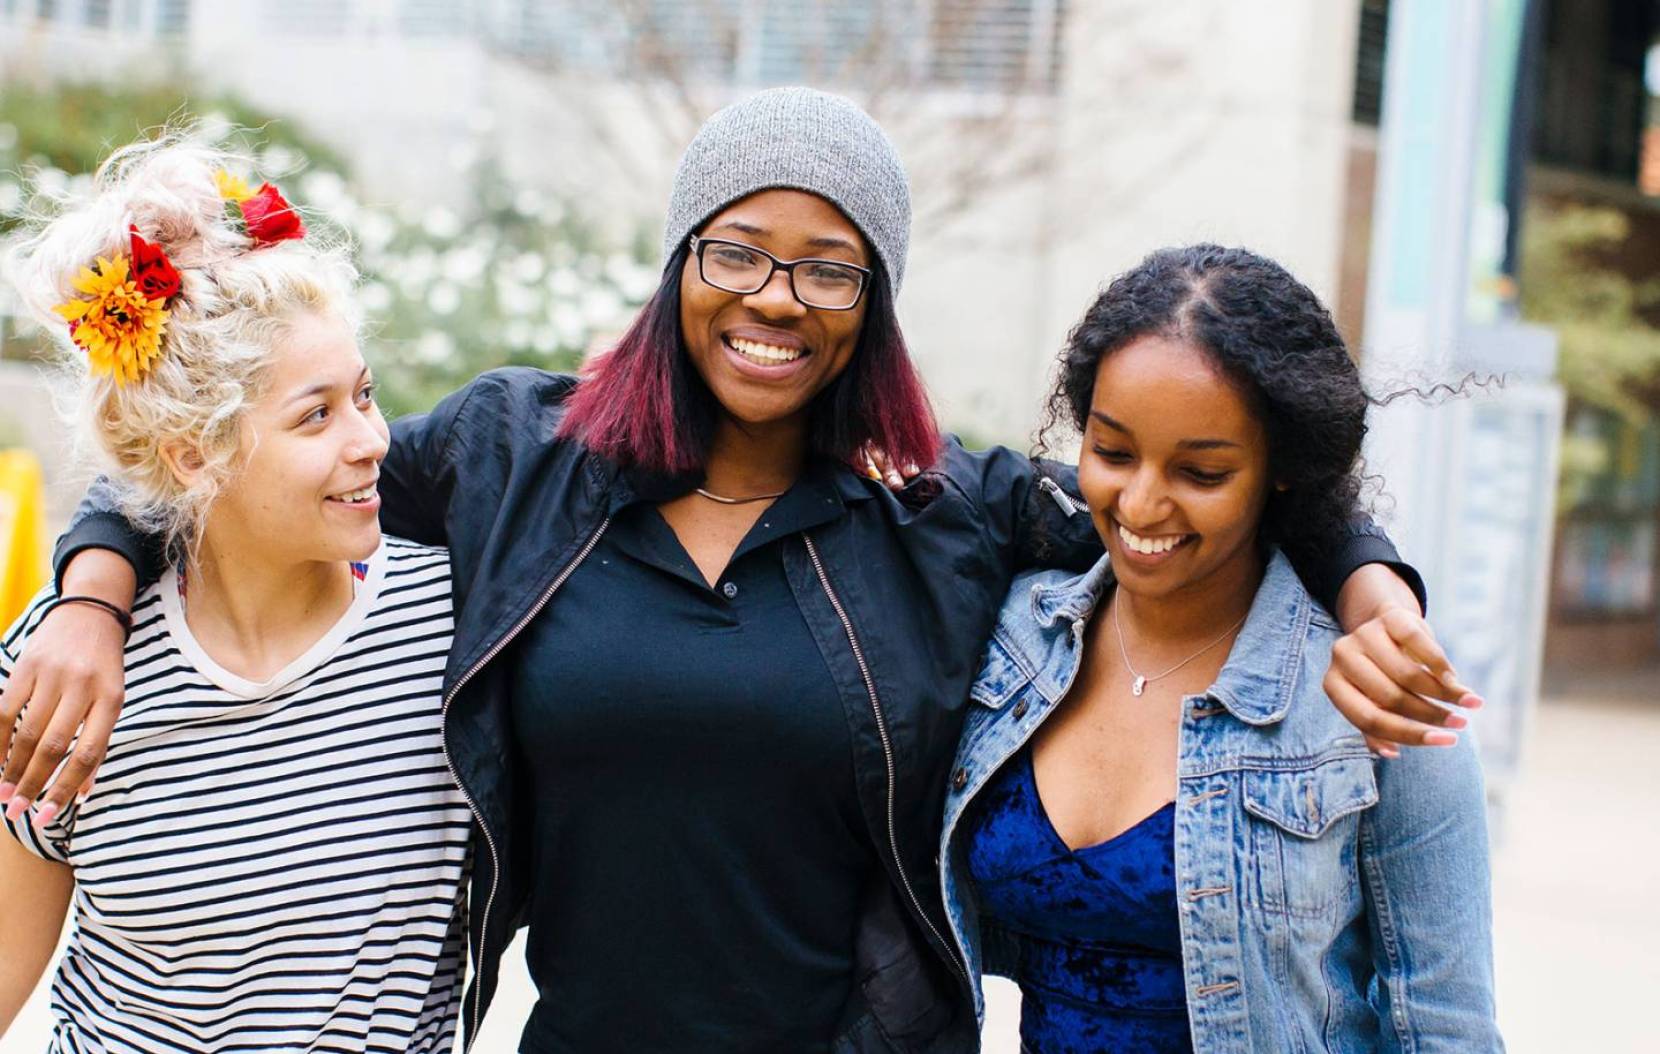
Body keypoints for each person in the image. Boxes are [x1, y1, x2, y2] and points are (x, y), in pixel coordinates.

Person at [3, 91, 1464, 1053]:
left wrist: (1369, 580)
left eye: (831, 267)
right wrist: (91, 592)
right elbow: (227, 453)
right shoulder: (519, 455)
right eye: (740, 250)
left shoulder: (940, 507)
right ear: (678, 263)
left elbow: (1195, 498)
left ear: (875, 302)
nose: (778, 296)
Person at [939, 245, 1502, 1052]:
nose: (1140, 503)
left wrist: (1371, 579)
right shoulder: (1015, 637)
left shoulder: (1371, 691)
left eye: (1201, 472)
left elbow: (1446, 1025)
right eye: (1113, 452)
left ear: (1278, 471)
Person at [0, 138, 468, 1050]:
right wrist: (92, 602)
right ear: (193, 455)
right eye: (316, 414)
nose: (373, 439)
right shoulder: (64, 668)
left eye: (365, 396)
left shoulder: (455, 628)